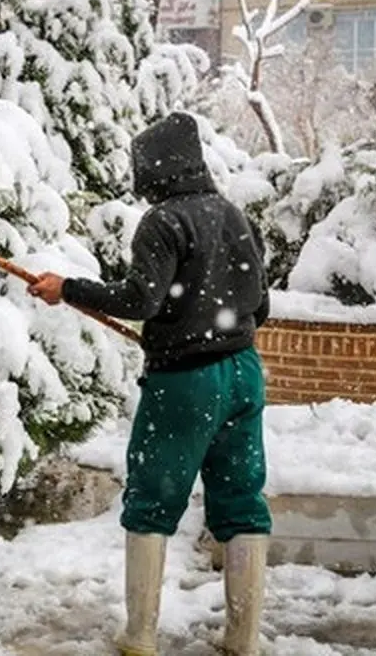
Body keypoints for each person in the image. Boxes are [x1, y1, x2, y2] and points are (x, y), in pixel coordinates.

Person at [28, 111, 271, 656]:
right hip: (244, 374)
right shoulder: (233, 215)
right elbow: (261, 304)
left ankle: (140, 635)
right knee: (242, 501)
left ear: (154, 170)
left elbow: (142, 300)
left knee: (153, 501)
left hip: (185, 383)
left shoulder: (164, 222)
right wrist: (215, 329)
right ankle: (243, 637)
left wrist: (67, 288)